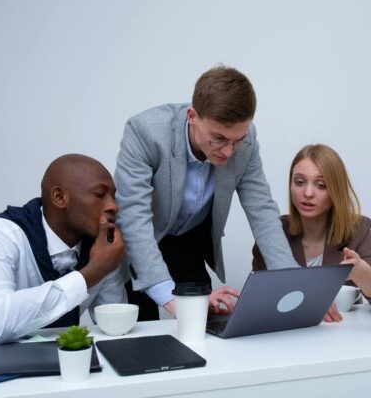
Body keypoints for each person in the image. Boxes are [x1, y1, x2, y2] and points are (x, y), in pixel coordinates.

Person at [114, 65, 299, 320]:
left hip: (189, 241)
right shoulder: (145, 132)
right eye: (219, 139)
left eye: (238, 140)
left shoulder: (246, 139)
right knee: (141, 334)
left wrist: (294, 284)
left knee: (206, 326)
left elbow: (262, 209)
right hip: (143, 240)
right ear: (192, 115)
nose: (228, 152)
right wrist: (170, 299)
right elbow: (133, 217)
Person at [0, 154, 126, 345]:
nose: (113, 206)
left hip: (67, 367)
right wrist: (91, 274)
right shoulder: (0, 234)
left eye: (113, 196)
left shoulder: (100, 244)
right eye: (100, 194)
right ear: (59, 197)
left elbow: (115, 325)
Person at [252, 144, 371, 320]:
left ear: (336, 191)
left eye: (321, 185)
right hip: (288, 337)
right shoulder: (273, 233)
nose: (307, 193)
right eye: (299, 182)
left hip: (342, 338)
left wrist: (362, 273)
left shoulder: (360, 229)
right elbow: (258, 302)